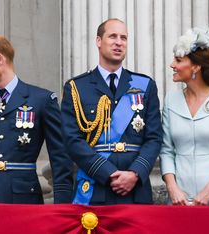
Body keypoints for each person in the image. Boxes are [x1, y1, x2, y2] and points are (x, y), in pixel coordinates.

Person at [61, 18, 162, 205]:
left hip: (135, 190)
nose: (119, 42)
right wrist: (107, 172)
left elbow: (154, 138)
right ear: (99, 41)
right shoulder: (77, 87)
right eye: (113, 36)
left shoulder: (145, 85)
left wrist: (134, 173)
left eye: (123, 38)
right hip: (96, 187)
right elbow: (72, 139)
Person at [0, 34, 73, 204]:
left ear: (0, 59)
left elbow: (59, 156)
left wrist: (62, 204)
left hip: (23, 199)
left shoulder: (41, 100)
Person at [160, 28, 209, 206]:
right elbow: (166, 150)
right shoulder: (171, 100)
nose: (172, 65)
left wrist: (207, 191)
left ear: (196, 66)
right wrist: (173, 188)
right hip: (177, 199)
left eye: (178, 60)